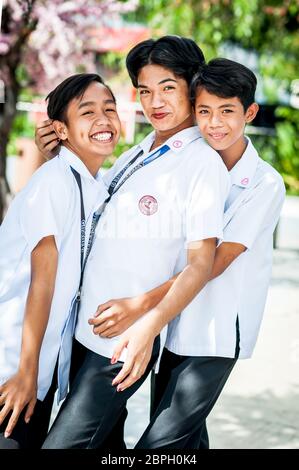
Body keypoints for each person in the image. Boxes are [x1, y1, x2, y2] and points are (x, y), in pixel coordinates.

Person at [40, 36, 230, 449]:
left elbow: (201, 263)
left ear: (192, 87)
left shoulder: (201, 163)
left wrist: (148, 324)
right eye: (145, 90)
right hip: (82, 333)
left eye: (167, 87)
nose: (154, 101)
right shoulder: (139, 151)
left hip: (119, 345)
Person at [104, 58, 286, 449]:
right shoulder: (189, 161)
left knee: (162, 444)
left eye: (227, 112)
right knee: (185, 441)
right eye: (204, 111)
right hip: (176, 327)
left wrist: (142, 308)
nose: (214, 123)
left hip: (216, 334)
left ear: (249, 112)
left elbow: (214, 263)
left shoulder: (264, 184)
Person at [0, 73, 121, 448]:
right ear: (61, 130)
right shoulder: (53, 183)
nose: (104, 120)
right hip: (12, 365)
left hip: (40, 366)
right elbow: (43, 281)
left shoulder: (88, 183)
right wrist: (26, 373)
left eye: (110, 109)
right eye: (87, 112)